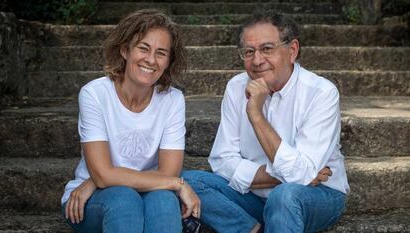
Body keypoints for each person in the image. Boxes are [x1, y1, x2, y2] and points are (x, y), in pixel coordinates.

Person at [183, 12, 350, 233]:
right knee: (187, 181)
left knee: (285, 196)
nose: (257, 60)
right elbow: (221, 162)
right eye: (249, 52)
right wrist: (288, 175)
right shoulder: (236, 87)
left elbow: (300, 179)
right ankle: (250, 229)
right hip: (253, 198)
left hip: (316, 197)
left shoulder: (321, 93)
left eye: (267, 49)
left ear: (292, 51)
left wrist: (256, 115)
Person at [61, 9, 200, 233]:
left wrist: (100, 178)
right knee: (126, 200)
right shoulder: (95, 94)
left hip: (151, 190)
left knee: (164, 201)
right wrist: (101, 179)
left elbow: (168, 172)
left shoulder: (173, 100)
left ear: (169, 61)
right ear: (125, 50)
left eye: (161, 53)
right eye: (143, 48)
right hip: (90, 201)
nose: (151, 60)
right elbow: (105, 175)